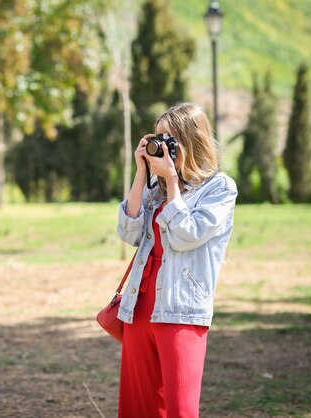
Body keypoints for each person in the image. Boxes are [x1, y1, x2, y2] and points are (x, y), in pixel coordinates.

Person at [116, 103, 237, 417]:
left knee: (179, 409)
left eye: (169, 140)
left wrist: (171, 181)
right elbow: (128, 232)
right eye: (158, 138)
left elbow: (186, 235)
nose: (161, 147)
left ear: (189, 141)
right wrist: (142, 174)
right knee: (138, 407)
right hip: (139, 305)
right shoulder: (155, 190)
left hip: (181, 310)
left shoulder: (219, 188)